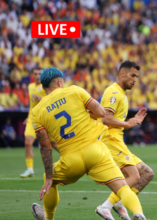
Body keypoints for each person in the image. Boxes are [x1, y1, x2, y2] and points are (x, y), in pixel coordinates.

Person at [30, 67, 147, 220]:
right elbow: (101, 113)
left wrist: (50, 177)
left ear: (43, 86)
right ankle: (138, 213)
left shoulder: (37, 111)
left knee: (49, 179)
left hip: (70, 160)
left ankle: (48, 217)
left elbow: (45, 146)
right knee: (123, 188)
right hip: (95, 151)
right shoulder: (74, 91)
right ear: (59, 82)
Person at [95, 61, 154, 220]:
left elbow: (115, 120)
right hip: (110, 140)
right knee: (134, 177)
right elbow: (106, 119)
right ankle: (105, 207)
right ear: (122, 74)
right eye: (132, 75)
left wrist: (130, 122)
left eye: (137, 76)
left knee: (147, 174)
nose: (135, 79)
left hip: (117, 141)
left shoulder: (121, 94)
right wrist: (128, 123)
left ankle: (119, 202)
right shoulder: (113, 92)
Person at [21, 67, 46, 178]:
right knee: (27, 143)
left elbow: (51, 101)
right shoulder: (30, 86)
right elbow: (31, 105)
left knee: (54, 144)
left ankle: (70, 163)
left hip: (44, 119)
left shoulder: (46, 86)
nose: (37, 76)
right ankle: (30, 169)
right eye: (35, 74)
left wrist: (40, 98)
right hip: (32, 119)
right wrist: (28, 116)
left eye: (39, 74)